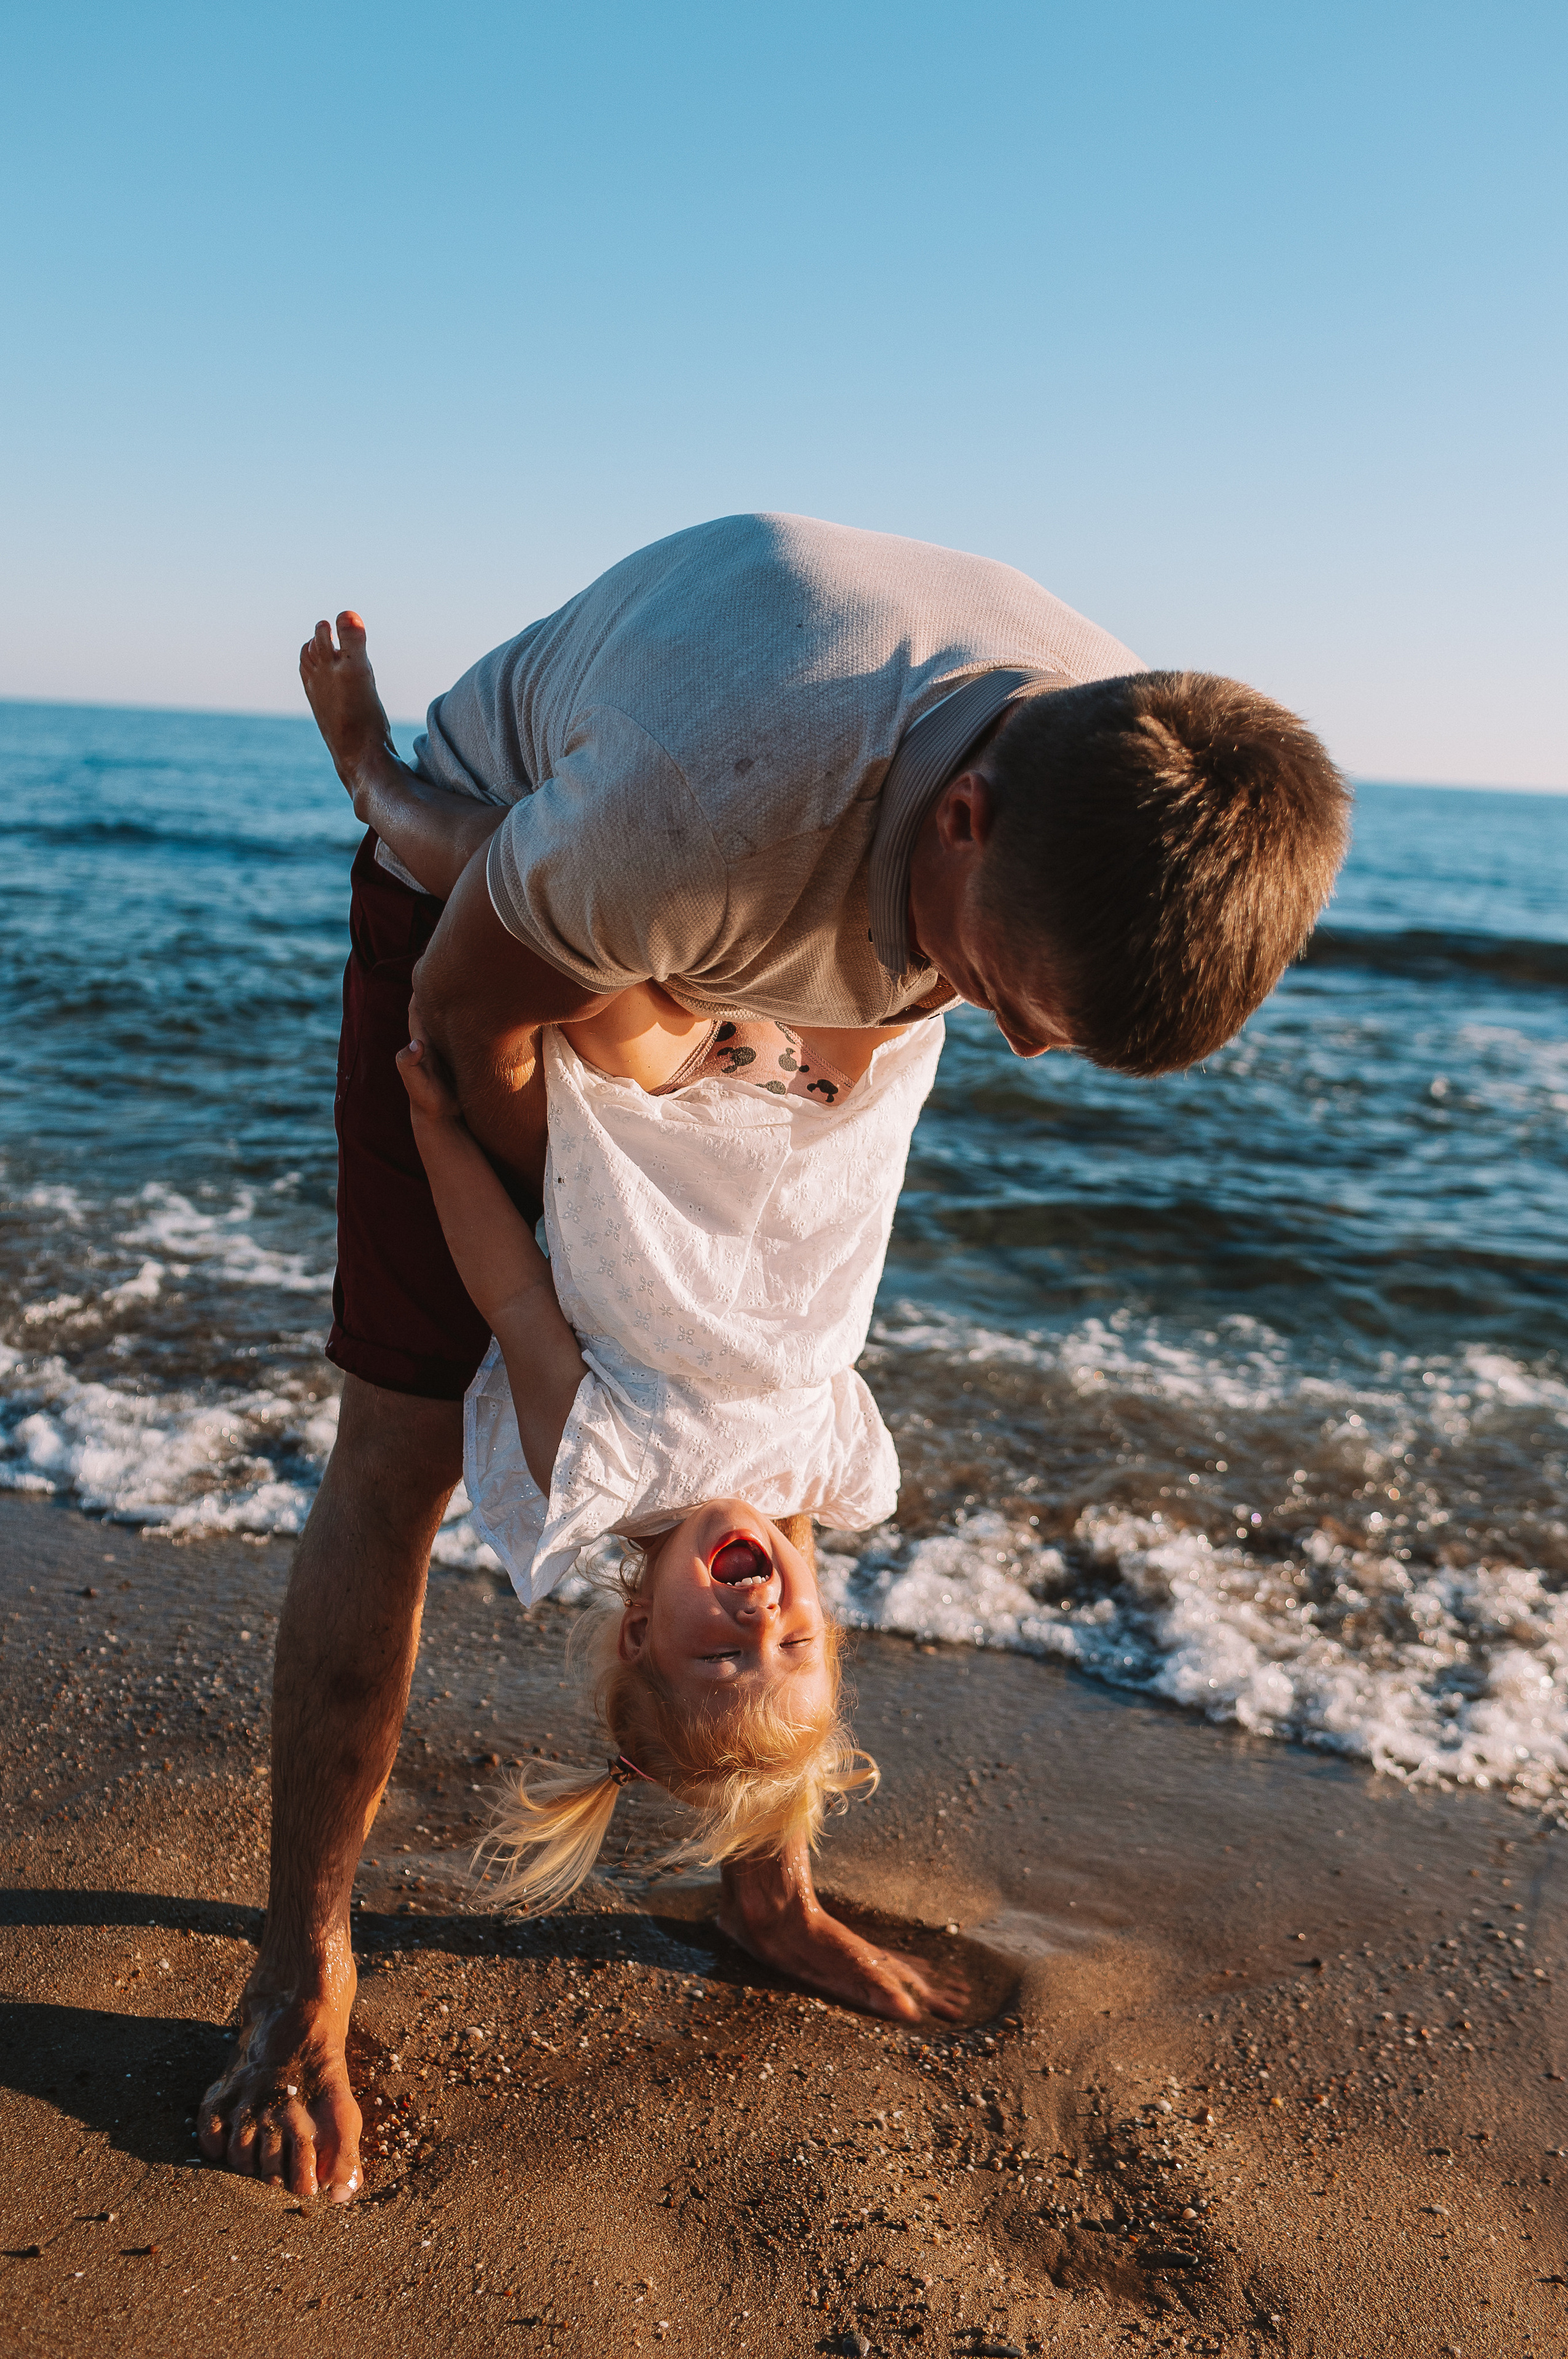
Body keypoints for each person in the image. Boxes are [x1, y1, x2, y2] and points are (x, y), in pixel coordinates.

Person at [200, 514, 1349, 2202]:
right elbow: (467, 1021)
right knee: (401, 1450)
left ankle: (767, 1885)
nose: (1018, 1044)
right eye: (1015, 999)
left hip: (729, 1012)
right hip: (520, 923)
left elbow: (792, 1425)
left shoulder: (1122, 763)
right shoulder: (705, 800)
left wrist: (735, 1113)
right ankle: (301, 1966)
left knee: (768, 1446)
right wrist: (597, 1177)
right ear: (967, 815)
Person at [389, 981, 959, 2024]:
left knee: (608, 985)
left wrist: (440, 1135)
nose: (762, 1623)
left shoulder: (602, 1472)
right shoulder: (828, 1479)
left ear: (640, 1628)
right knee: (914, 978)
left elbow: (514, 1295)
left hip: (658, 1136)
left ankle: (395, 805)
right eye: (797, 1646)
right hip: (816, 1139)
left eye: (721, 1657)